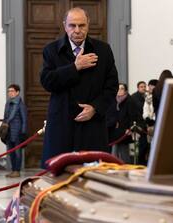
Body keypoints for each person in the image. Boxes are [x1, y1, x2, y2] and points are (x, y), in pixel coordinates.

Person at [40, 7, 118, 167]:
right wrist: (74, 67)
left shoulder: (103, 50)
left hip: (93, 126)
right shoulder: (51, 50)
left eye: (81, 25)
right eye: (72, 25)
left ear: (88, 25)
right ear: (64, 26)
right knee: (59, 177)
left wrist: (95, 108)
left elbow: (112, 86)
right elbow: (47, 82)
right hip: (62, 125)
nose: (77, 30)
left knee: (94, 179)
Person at [110, 83, 140, 163]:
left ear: (125, 90)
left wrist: (130, 128)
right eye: (118, 88)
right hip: (115, 130)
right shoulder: (114, 100)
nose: (119, 90)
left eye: (122, 89)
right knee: (114, 151)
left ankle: (125, 168)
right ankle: (114, 167)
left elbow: (133, 116)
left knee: (124, 152)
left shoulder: (129, 100)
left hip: (125, 130)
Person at [3, 84, 27, 177]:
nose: (10, 93)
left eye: (12, 91)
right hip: (8, 131)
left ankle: (17, 170)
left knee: (17, 152)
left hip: (17, 131)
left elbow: (24, 119)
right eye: (9, 91)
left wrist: (23, 132)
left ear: (17, 92)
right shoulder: (8, 103)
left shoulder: (20, 104)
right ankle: (13, 170)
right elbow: (5, 117)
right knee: (11, 151)